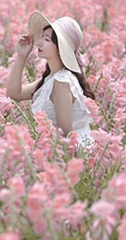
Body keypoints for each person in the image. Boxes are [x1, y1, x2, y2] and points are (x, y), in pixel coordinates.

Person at [6, 11, 96, 150]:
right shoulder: (52, 79)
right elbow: (14, 93)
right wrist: (21, 56)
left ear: (61, 48)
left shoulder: (62, 82)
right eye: (42, 37)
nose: (40, 42)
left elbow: (65, 136)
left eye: (47, 40)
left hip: (74, 156)